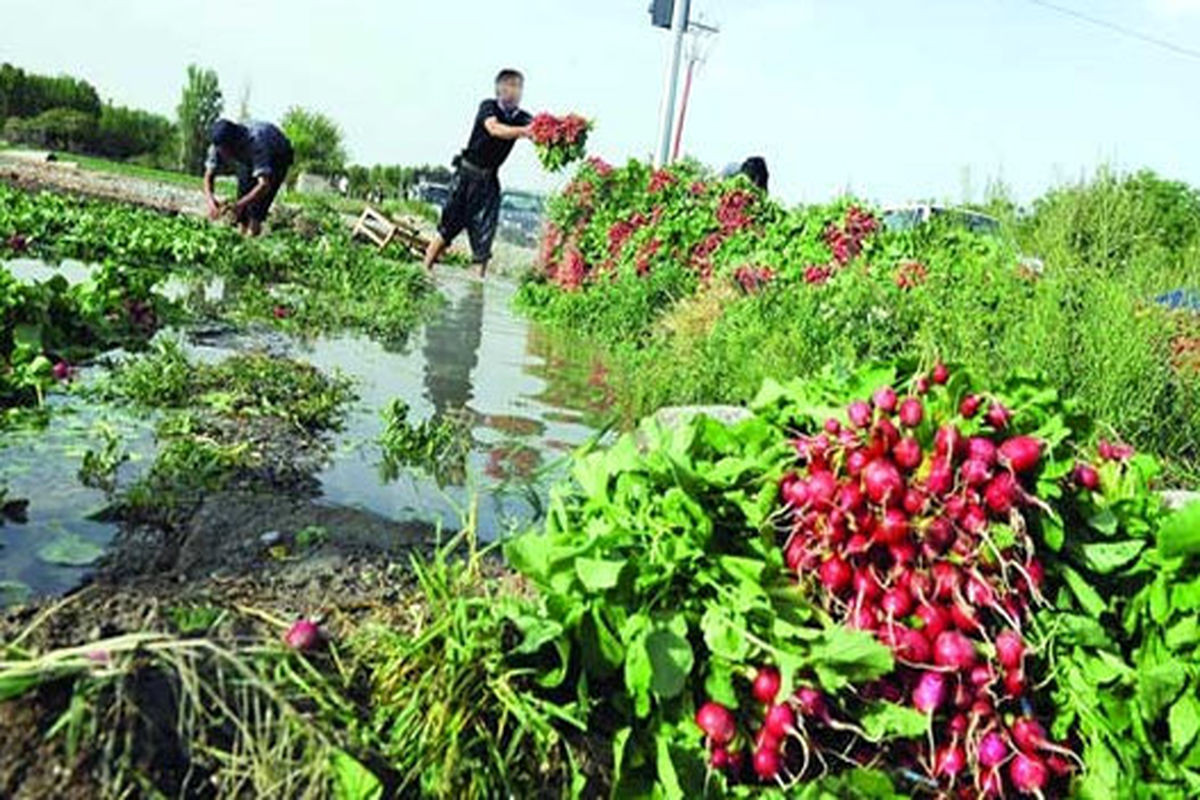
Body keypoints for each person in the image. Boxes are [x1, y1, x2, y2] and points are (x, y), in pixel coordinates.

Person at [423, 69, 532, 278]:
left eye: (520, 87)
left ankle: (476, 289)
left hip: (489, 181)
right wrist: (524, 132)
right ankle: (424, 271)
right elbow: (494, 129)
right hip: (467, 175)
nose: (518, 92)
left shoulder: (522, 117)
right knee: (447, 229)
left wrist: (554, 130)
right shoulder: (488, 107)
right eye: (514, 86)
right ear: (502, 89)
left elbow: (539, 128)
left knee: (483, 240)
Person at [202, 118, 294, 237]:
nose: (224, 155)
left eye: (226, 151)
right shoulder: (217, 144)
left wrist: (239, 205)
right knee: (242, 203)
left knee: (256, 208)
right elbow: (208, 176)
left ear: (233, 143)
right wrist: (211, 201)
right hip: (248, 155)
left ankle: (252, 236)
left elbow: (264, 185)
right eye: (222, 151)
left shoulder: (255, 142)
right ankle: (241, 236)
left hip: (278, 155)